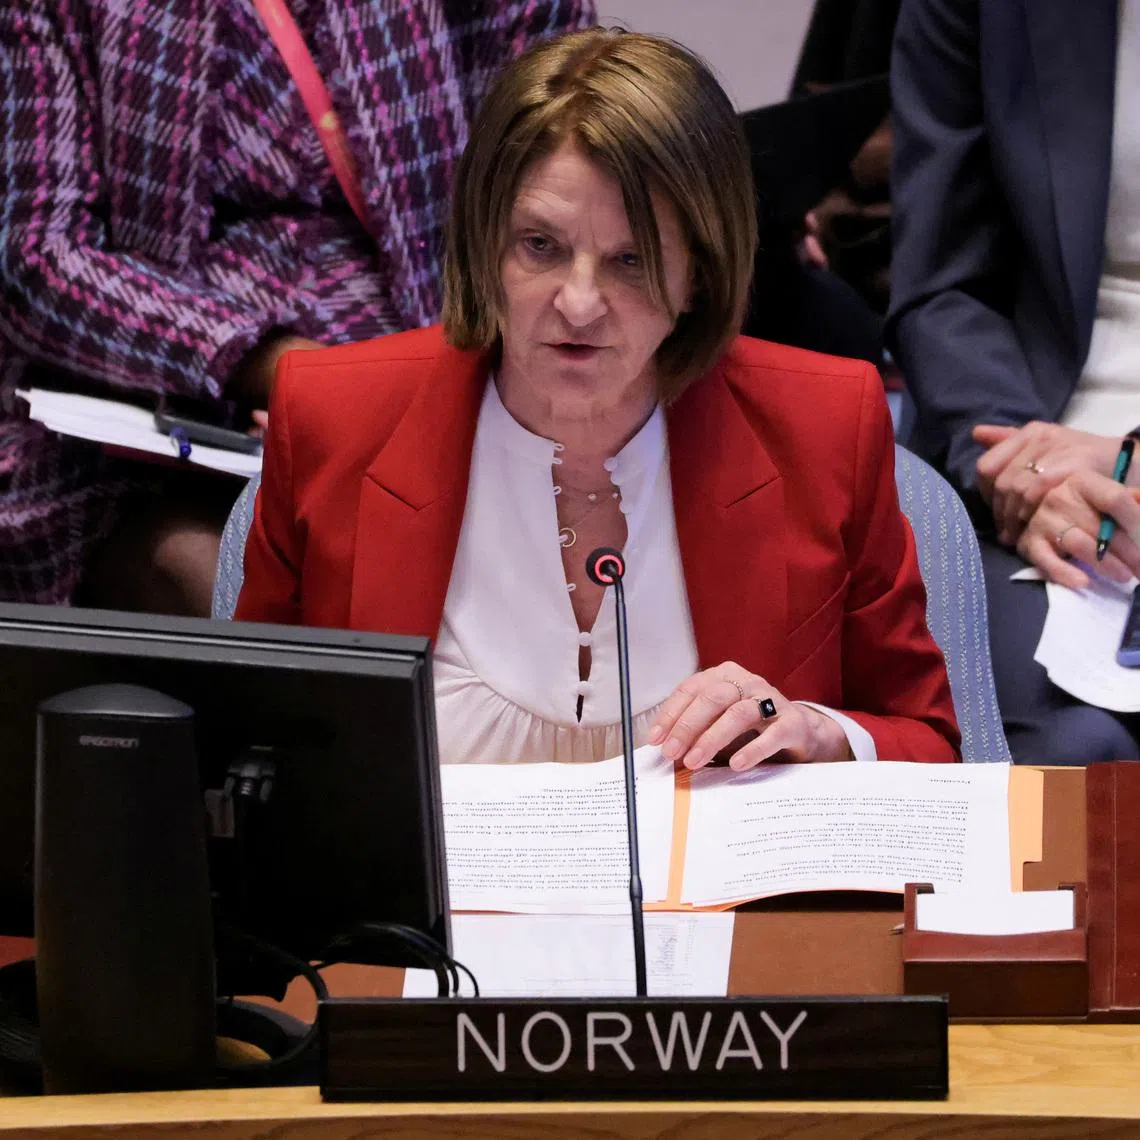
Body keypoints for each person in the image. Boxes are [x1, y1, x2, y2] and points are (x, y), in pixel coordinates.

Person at [235, 27, 960, 768]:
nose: (579, 304)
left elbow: (929, 744)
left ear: (700, 275)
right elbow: (248, 744)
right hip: (425, 887)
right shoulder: (333, 416)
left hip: (711, 889)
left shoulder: (823, 426)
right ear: (486, 240)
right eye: (540, 246)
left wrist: (818, 731)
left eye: (631, 260)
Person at [0, 0, 592, 615]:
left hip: (429, 384)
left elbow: (567, 195)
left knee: (503, 588)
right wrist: (268, 364)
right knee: (232, 589)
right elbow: (39, 257)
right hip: (146, 417)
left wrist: (419, 383)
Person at [888, 0, 1140, 762]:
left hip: (1113, 455)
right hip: (1034, 432)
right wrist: (1024, 475)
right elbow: (943, 283)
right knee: (1067, 748)